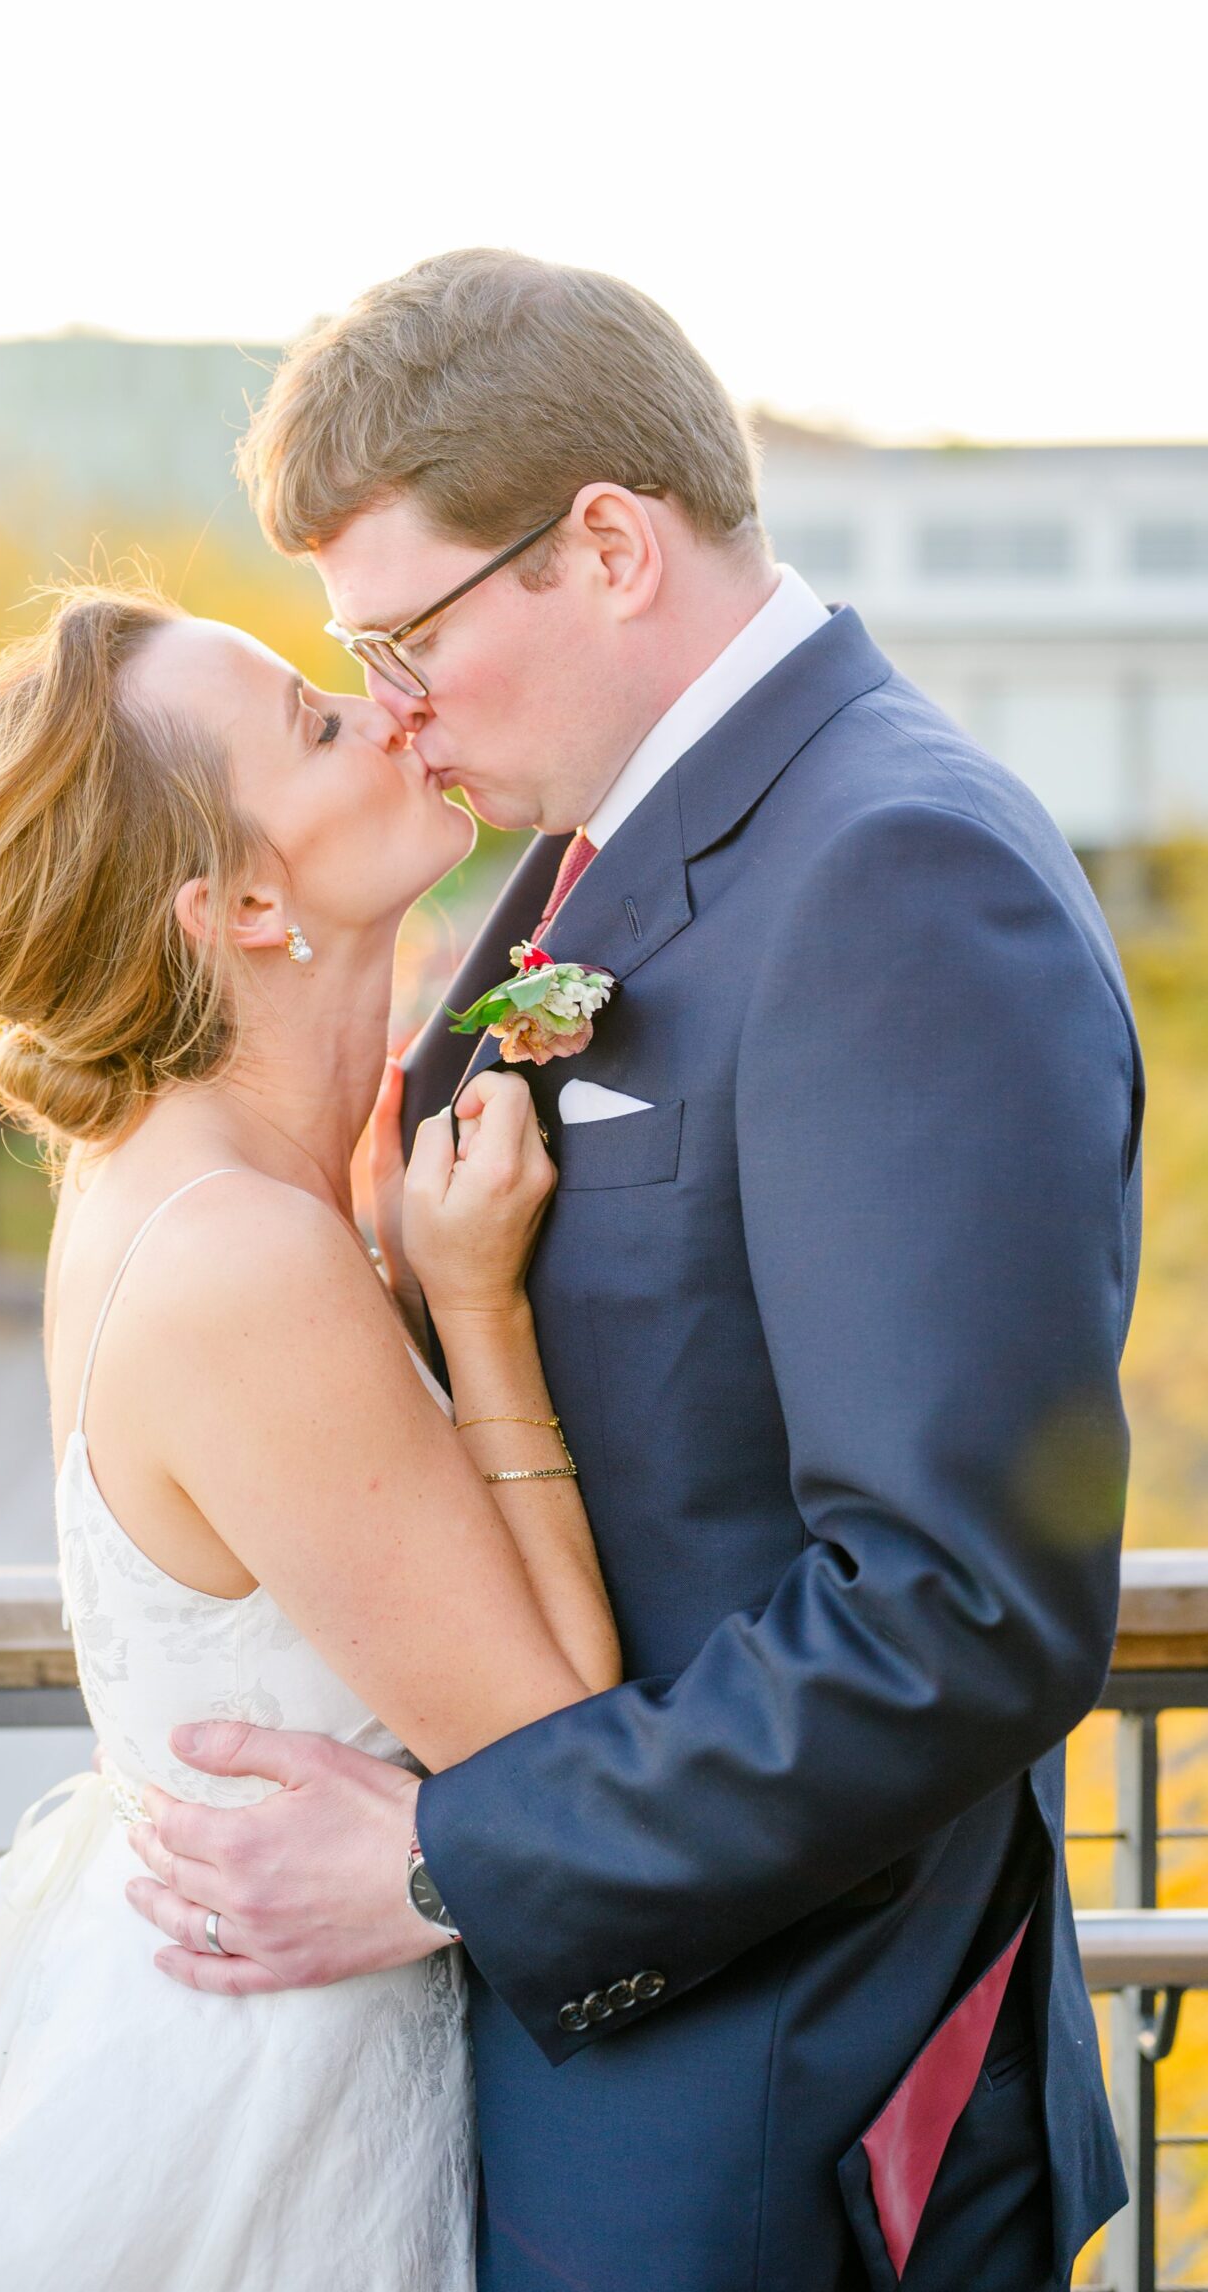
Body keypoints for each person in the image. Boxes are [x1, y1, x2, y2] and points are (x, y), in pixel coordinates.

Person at [130, 250, 1142, 2291]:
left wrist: (439, 1858)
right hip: (582, 2077)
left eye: (401, 637)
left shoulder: (895, 874)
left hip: (773, 2106)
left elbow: (956, 1612)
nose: (391, 711)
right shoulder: (605, 845)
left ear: (603, 545)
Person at [0, 579, 620, 2291]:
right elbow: (565, 1754)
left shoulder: (180, 1181)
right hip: (256, 2126)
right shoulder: (239, 1257)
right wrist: (480, 1307)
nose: (387, 705)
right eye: (314, 717)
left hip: (215, 2005)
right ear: (238, 903)